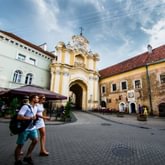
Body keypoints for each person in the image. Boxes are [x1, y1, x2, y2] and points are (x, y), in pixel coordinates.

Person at [14, 94, 39, 165]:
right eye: (37, 98)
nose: (38, 99)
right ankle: (17, 160)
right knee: (20, 145)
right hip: (24, 129)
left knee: (35, 140)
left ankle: (28, 156)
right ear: (33, 99)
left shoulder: (36, 107)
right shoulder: (25, 106)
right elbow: (19, 117)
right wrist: (30, 118)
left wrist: (36, 118)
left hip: (32, 128)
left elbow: (34, 116)